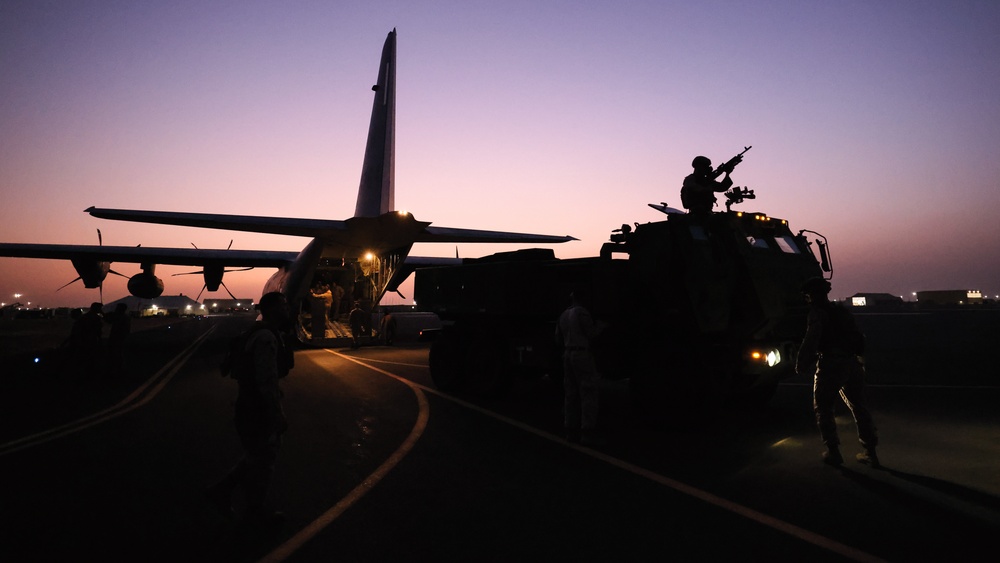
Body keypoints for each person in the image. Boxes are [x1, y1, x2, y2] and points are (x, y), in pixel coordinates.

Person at [208, 291, 294, 526]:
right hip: (258, 409)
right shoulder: (266, 336)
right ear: (273, 309)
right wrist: (277, 413)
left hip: (248, 404)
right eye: (284, 305)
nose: (288, 309)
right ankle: (254, 512)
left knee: (256, 456)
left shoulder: (255, 332)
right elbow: (266, 380)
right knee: (264, 460)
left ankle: (221, 490)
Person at [796, 277, 880, 468]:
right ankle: (870, 452)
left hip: (831, 365)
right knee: (859, 406)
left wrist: (802, 363)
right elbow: (859, 337)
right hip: (852, 363)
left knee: (823, 408)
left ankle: (833, 452)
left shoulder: (818, 314)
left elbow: (812, 339)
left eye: (808, 295)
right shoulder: (842, 312)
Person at [555, 291, 606, 446]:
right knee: (588, 392)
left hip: (567, 353)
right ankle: (587, 432)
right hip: (581, 354)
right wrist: (602, 326)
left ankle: (570, 429)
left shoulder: (563, 315)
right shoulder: (582, 313)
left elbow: (557, 338)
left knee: (570, 394)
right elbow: (591, 333)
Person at [104, 303, 131, 378]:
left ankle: (116, 370)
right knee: (118, 353)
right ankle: (120, 369)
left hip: (117, 337)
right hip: (121, 337)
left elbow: (109, 320)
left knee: (115, 353)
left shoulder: (120, 317)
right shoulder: (125, 317)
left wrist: (103, 313)